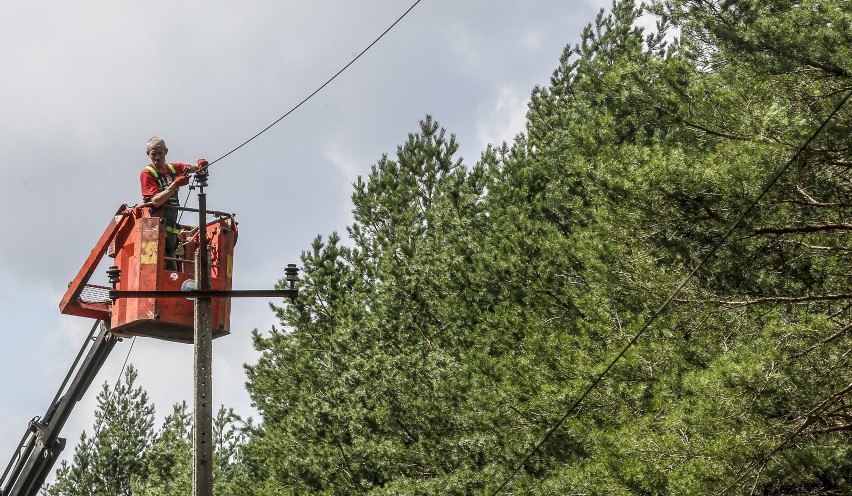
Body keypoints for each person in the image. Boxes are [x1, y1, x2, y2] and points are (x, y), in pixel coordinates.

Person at [140, 137, 208, 270]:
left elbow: (188, 168)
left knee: (171, 263)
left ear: (166, 151)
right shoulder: (147, 173)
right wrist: (175, 184)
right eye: (154, 154)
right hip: (156, 228)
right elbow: (156, 201)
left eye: (160, 153)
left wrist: (199, 165)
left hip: (170, 228)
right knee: (162, 266)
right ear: (148, 154)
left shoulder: (171, 168)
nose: (157, 157)